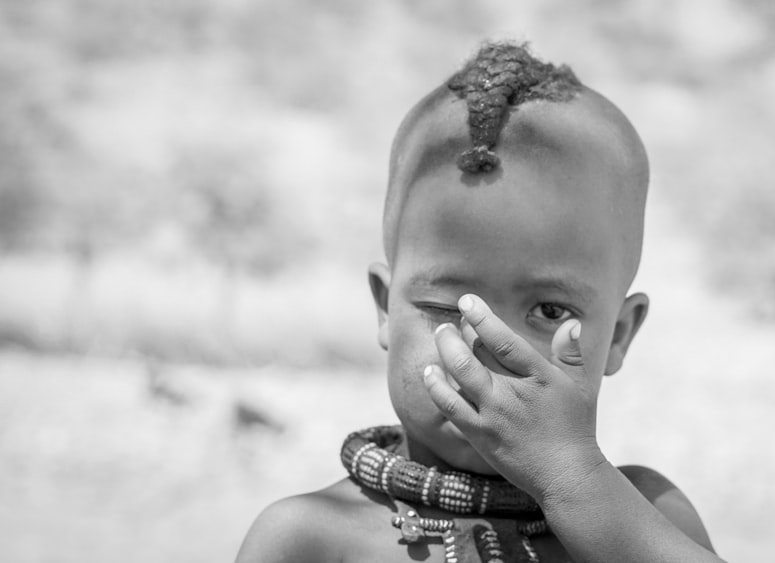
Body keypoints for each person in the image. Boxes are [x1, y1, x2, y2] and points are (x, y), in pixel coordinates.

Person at [236, 41, 722, 563]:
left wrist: (571, 478)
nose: (489, 349)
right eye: (449, 307)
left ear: (621, 335)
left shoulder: (650, 520)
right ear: (385, 307)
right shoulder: (307, 541)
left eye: (551, 311)